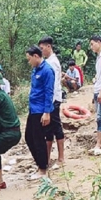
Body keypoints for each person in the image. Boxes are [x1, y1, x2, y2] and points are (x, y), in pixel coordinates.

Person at [24, 46, 55, 181]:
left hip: (41, 111)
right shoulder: (35, 70)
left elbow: (49, 92)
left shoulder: (47, 71)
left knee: (38, 140)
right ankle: (41, 164)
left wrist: (47, 112)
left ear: (36, 56)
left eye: (29, 59)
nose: (29, 62)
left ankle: (42, 169)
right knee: (29, 137)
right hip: (33, 109)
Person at [39, 36, 66, 171]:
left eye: (42, 48)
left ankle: (61, 158)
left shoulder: (53, 62)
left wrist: (49, 103)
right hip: (49, 99)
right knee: (48, 129)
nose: (41, 51)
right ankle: (47, 157)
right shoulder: (47, 61)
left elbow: (53, 84)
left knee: (56, 127)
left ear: (48, 46)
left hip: (53, 99)